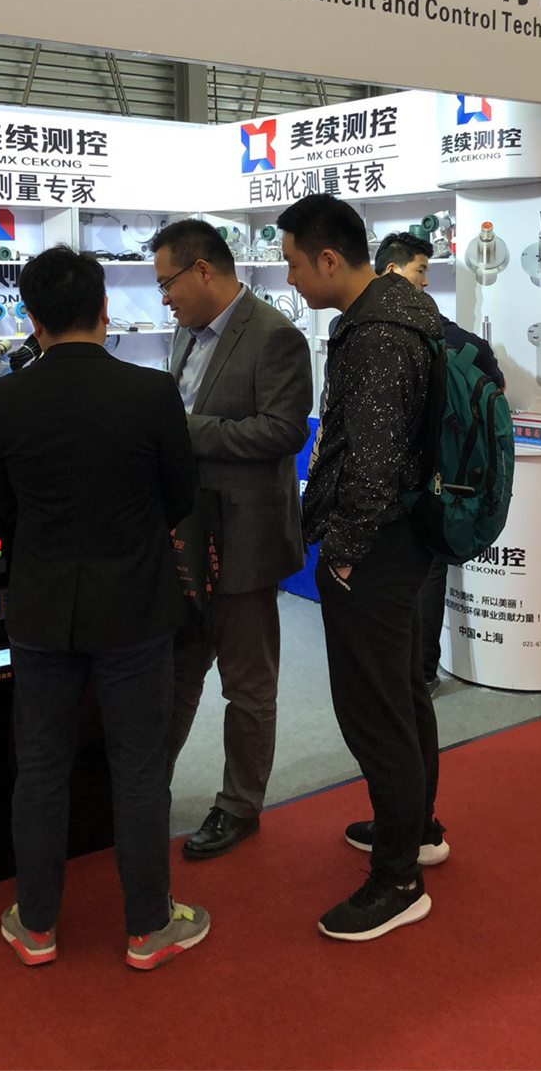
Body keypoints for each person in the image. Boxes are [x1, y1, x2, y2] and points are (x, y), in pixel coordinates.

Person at [0, 245, 209, 971]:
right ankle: (147, 927)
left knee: (40, 767)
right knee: (139, 769)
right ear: (105, 310)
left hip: (42, 606)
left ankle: (36, 925)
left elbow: (5, 504)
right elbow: (180, 493)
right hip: (136, 606)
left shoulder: (2, 399)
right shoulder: (151, 392)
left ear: (32, 317)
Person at [277, 195, 448, 944]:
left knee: (376, 711)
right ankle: (416, 828)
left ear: (328, 258)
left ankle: (398, 879)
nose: (290, 277)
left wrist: (341, 554)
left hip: (376, 549)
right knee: (402, 694)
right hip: (405, 537)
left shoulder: (377, 333)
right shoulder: (404, 313)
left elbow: (372, 466)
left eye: (293, 262)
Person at [151, 219, 312, 860]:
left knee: (247, 684)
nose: (164, 297)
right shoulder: (185, 334)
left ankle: (239, 806)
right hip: (187, 534)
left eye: (168, 283)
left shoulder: (275, 335)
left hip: (245, 537)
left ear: (202, 270)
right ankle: (142, 790)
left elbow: (284, 432)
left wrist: (186, 429)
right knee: (177, 670)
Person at [374, 232, 506, 690]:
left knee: (400, 576)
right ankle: (421, 675)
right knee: (427, 573)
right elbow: (495, 389)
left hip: (392, 484)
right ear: (394, 271)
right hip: (442, 483)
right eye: (421, 271)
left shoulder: (361, 333)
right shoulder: (459, 341)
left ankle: (405, 674)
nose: (426, 281)